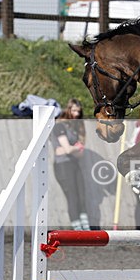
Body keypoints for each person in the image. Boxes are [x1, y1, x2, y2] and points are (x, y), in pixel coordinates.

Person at [50, 98, 91, 231]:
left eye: (78, 112)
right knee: (72, 196)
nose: (76, 114)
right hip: (63, 166)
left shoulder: (74, 129)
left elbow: (77, 152)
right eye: (74, 111)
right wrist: (75, 147)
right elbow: (68, 149)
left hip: (74, 163)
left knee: (82, 194)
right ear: (68, 110)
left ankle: (86, 226)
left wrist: (72, 149)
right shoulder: (59, 126)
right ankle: (77, 227)